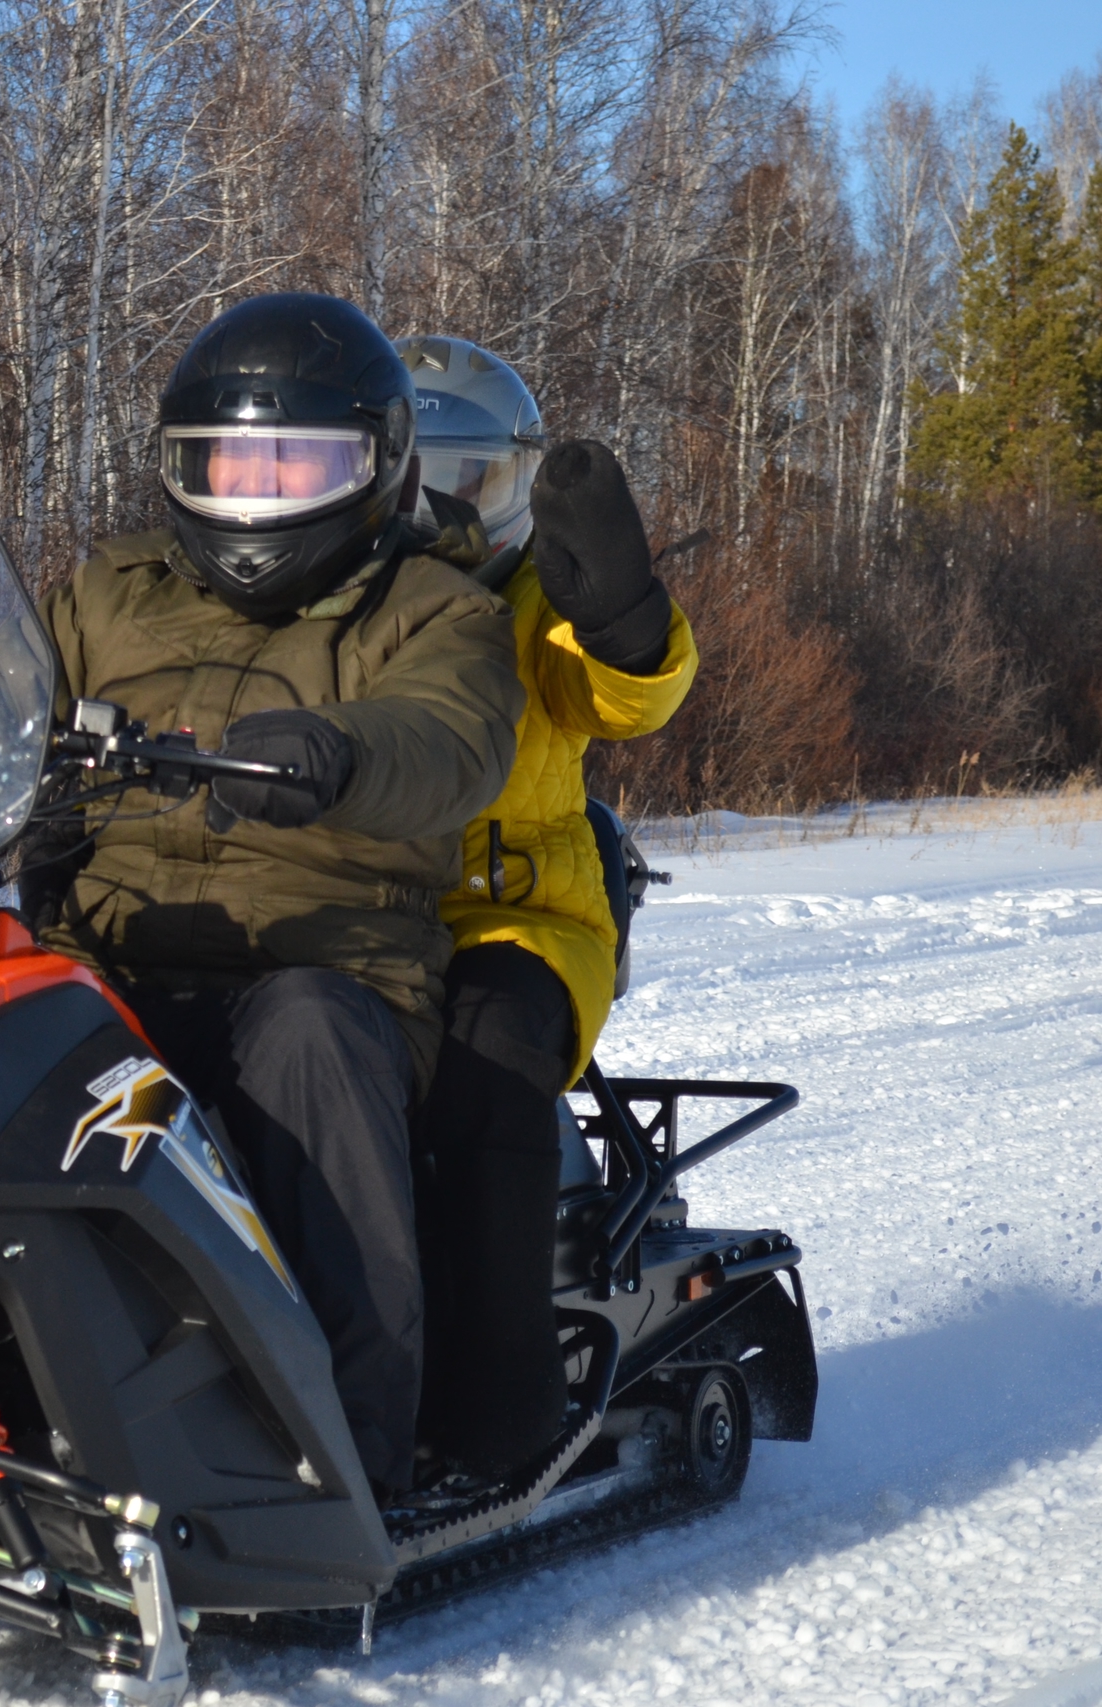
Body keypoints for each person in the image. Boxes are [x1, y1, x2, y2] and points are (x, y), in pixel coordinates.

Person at [33, 295, 524, 1495]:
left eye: (291, 461)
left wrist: (338, 754)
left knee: (305, 1036)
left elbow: (450, 740)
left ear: (378, 463)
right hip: (107, 952)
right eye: (221, 464)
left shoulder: (438, 612)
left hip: (328, 972)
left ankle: (348, 1459)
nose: (252, 495)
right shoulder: (107, 593)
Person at [391, 335, 699, 1481]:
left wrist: (624, 614)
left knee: (479, 1066)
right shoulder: (336, 596)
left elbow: (626, 693)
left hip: (517, 925)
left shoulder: (535, 604)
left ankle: (501, 1407)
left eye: (472, 482)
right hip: (351, 915)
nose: (445, 514)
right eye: (422, 480)